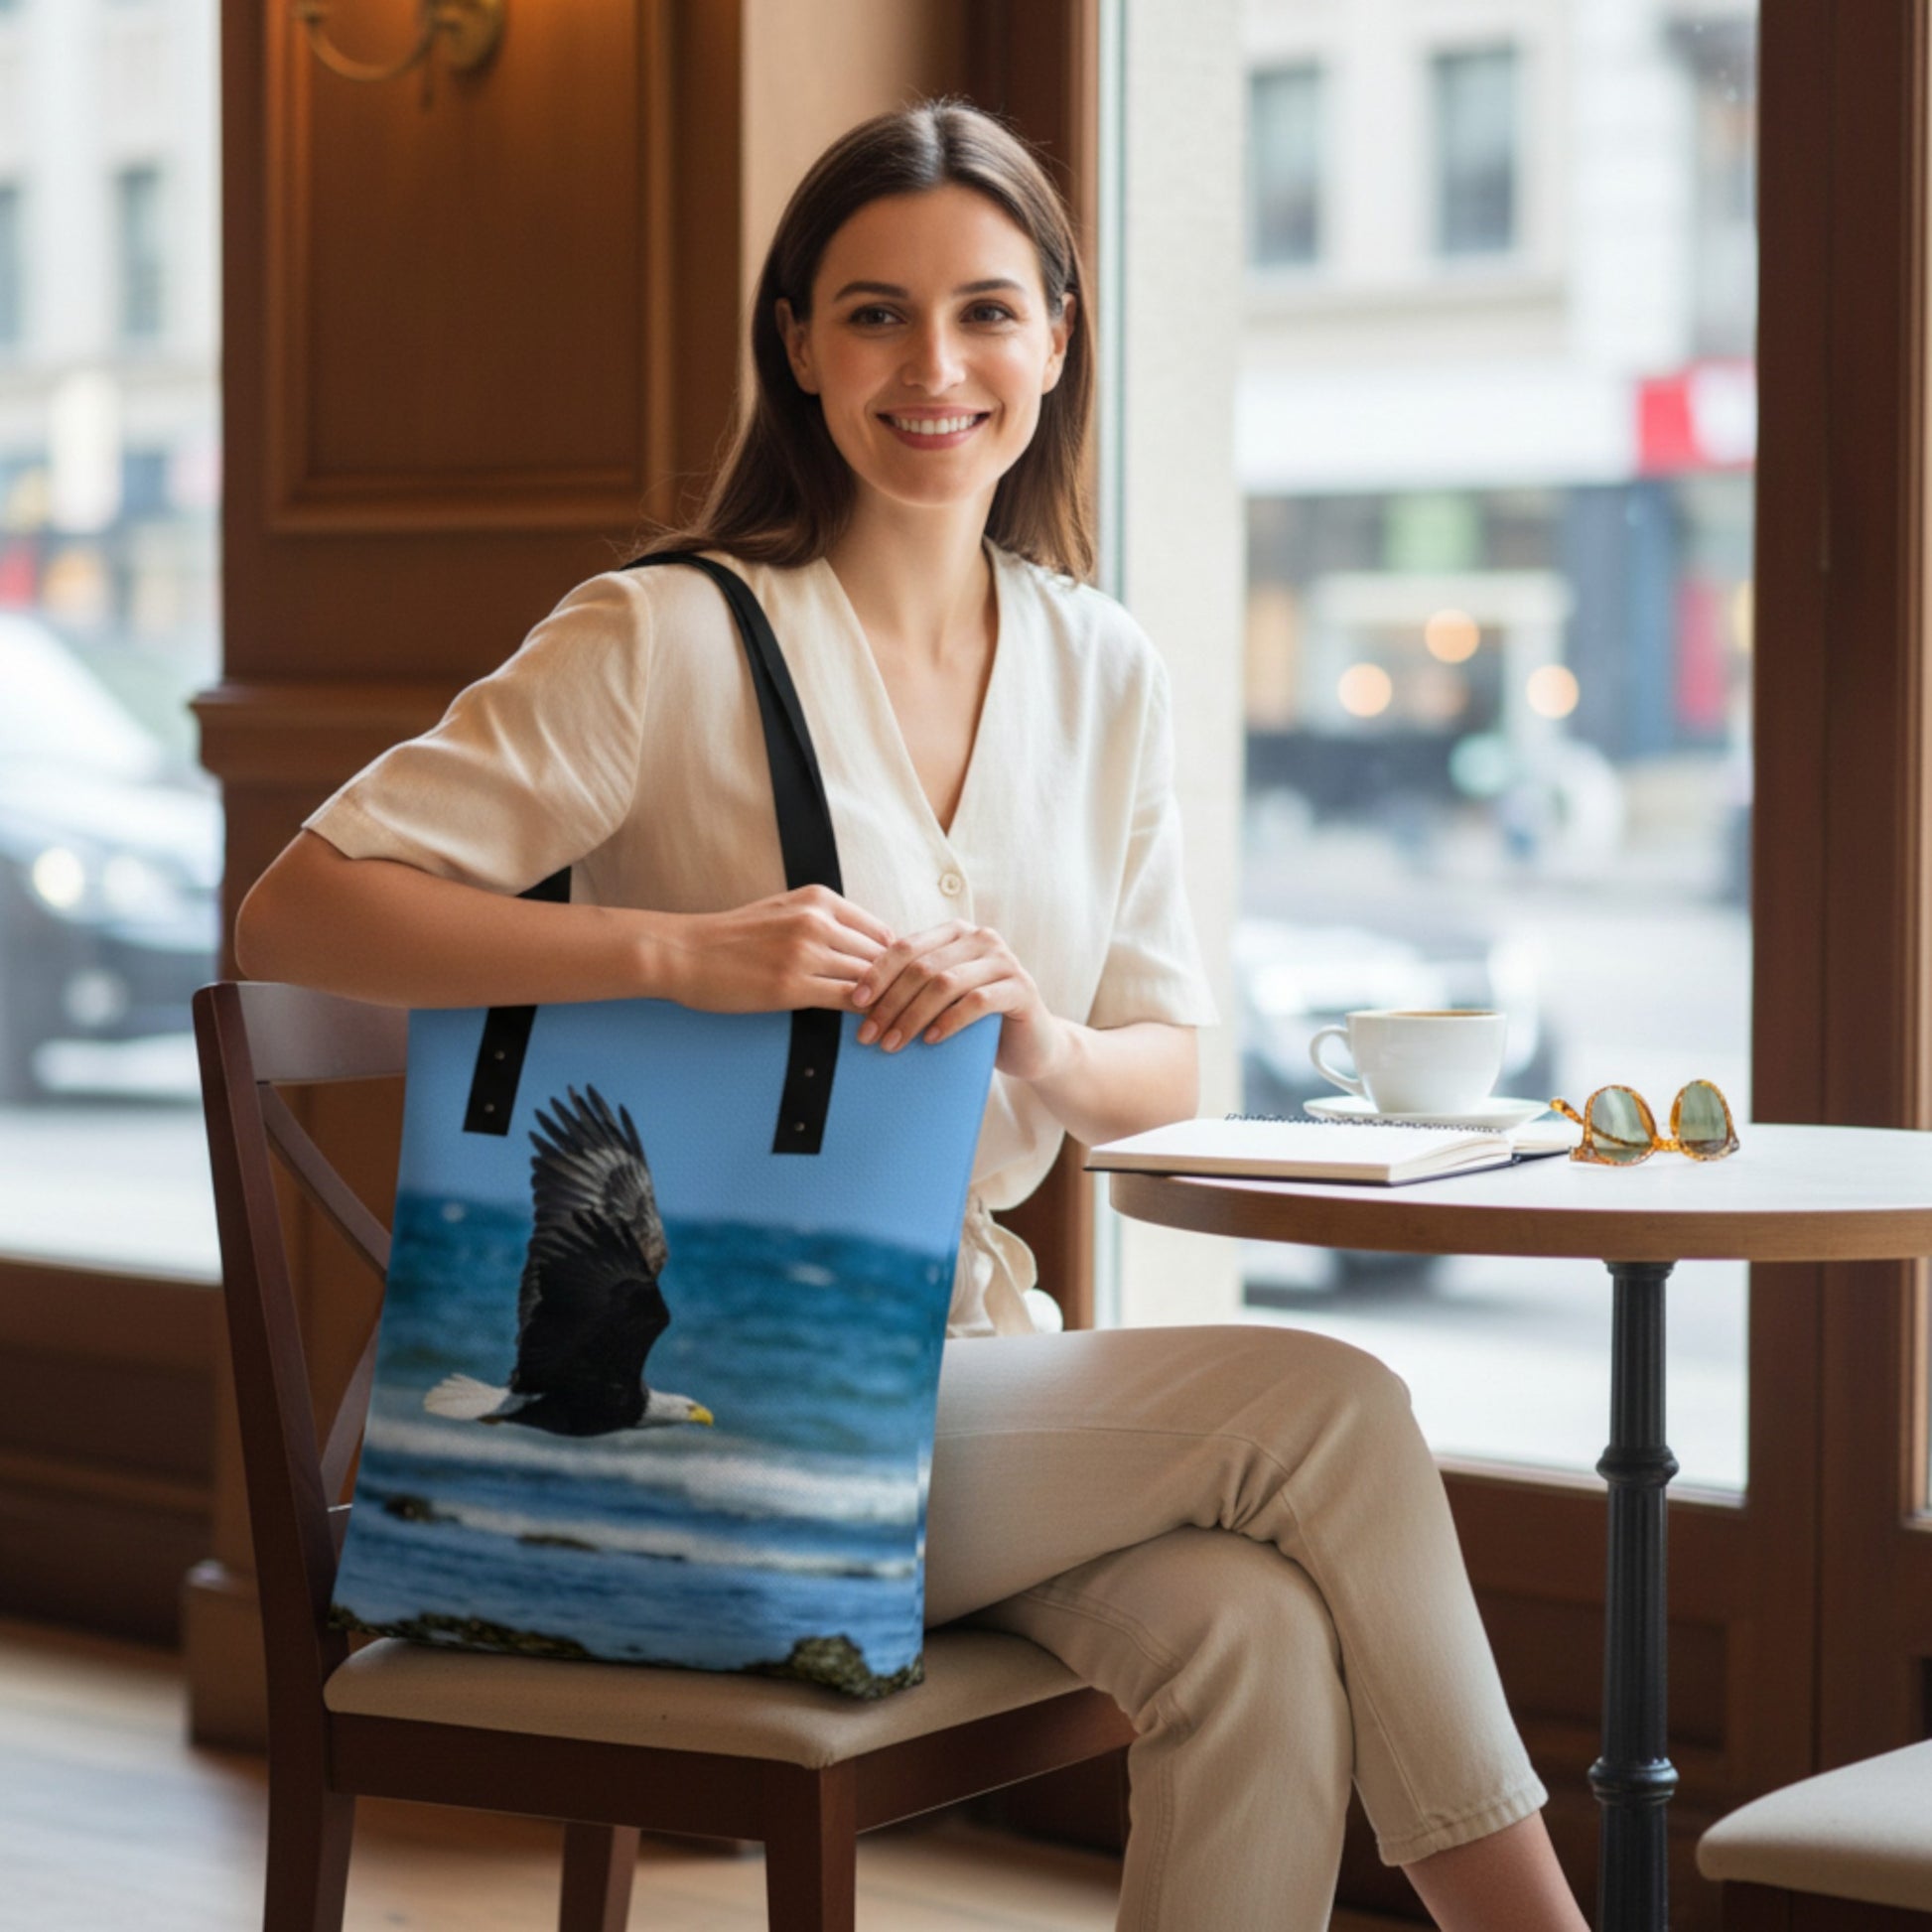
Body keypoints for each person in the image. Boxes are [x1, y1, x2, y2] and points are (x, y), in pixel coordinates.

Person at [236, 96, 1588, 1932]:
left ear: (1055, 336)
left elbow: (1163, 1069)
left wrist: (1036, 1037)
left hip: (976, 1367)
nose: (931, 364)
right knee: (1326, 1398)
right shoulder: (662, 641)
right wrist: (678, 954)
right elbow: (297, 908)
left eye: (983, 311)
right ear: (795, 342)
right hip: (726, 1417)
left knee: (1256, 1630)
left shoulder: (1099, 663)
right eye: (871, 311)